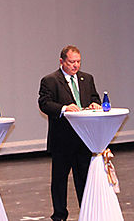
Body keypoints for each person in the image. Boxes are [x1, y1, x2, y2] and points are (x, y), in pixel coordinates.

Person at [38, 45, 101, 221]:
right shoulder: (50, 80)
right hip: (62, 140)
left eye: (78, 62)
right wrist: (65, 108)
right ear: (61, 61)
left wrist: (96, 104)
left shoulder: (86, 78)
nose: (75, 66)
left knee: (84, 179)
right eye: (71, 62)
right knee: (59, 180)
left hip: (83, 139)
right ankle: (59, 215)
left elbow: (94, 97)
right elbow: (45, 103)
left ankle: (87, 212)